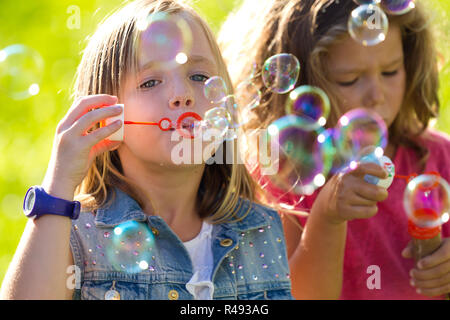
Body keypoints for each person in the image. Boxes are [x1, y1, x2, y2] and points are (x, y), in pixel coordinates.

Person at [0, 0, 293, 300]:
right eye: (151, 82)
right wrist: (59, 183)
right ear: (106, 115)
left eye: (199, 77)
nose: (183, 95)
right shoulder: (73, 234)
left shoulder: (261, 229)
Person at [219, 0, 450, 299]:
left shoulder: (437, 157)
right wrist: (327, 217)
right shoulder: (276, 179)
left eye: (391, 71)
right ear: (299, 84)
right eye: (349, 79)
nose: (376, 96)